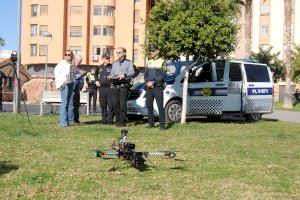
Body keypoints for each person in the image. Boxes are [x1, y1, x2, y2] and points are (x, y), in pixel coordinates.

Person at [109, 47, 135, 127]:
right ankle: (118, 121)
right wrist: (110, 76)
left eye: (119, 52)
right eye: (117, 53)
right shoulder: (114, 63)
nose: (118, 54)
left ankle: (123, 122)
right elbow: (112, 73)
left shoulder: (129, 62)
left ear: (124, 53)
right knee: (115, 104)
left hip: (124, 86)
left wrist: (125, 75)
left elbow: (132, 72)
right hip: (115, 85)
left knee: (122, 105)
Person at [144, 45, 167, 130]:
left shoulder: (162, 62)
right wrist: (147, 82)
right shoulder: (149, 62)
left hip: (158, 87)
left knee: (160, 106)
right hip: (149, 87)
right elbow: (145, 75)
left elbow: (163, 75)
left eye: (153, 51)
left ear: (158, 51)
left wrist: (153, 82)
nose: (151, 52)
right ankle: (151, 124)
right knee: (149, 105)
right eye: (150, 51)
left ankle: (162, 125)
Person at [54, 50, 75, 127]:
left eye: (69, 54)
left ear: (71, 55)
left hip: (71, 83)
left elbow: (72, 74)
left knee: (68, 103)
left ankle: (66, 121)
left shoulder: (71, 64)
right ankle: (63, 122)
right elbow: (56, 72)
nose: (67, 56)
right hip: (65, 84)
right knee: (64, 103)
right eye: (66, 54)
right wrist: (62, 82)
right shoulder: (61, 63)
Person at [96, 53, 113, 124]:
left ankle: (110, 120)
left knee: (110, 105)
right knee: (103, 105)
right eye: (106, 58)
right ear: (103, 59)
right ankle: (104, 119)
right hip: (102, 88)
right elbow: (95, 75)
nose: (108, 59)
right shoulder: (99, 67)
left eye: (108, 58)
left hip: (110, 88)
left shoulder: (112, 66)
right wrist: (96, 80)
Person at [73, 55, 84, 124]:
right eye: (79, 61)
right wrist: (81, 75)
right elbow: (73, 77)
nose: (79, 63)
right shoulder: (72, 67)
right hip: (73, 89)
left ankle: (76, 119)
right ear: (75, 60)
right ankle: (73, 119)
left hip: (77, 89)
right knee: (73, 105)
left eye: (80, 62)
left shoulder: (78, 68)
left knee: (77, 105)